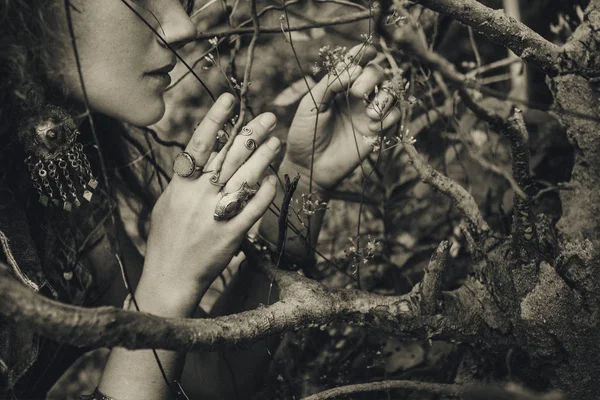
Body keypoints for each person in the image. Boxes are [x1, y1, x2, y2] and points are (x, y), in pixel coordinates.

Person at [0, 0, 401, 398]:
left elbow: (213, 379)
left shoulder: (61, 193)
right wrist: (166, 285)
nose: (183, 26)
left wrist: (304, 181)